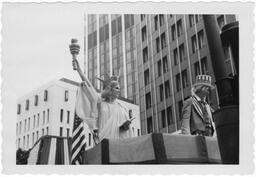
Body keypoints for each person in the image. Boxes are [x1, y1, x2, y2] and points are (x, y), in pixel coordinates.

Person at [72, 59, 132, 143]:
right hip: (103, 141)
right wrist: (79, 70)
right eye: (117, 88)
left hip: (118, 144)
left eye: (119, 88)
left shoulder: (122, 107)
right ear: (109, 89)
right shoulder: (100, 104)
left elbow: (126, 132)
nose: (119, 90)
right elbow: (90, 88)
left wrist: (125, 127)